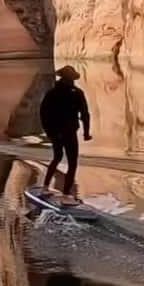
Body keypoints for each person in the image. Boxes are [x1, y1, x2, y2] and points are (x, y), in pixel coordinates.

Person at [40, 65, 91, 200]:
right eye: (71, 78)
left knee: (58, 157)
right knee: (71, 162)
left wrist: (49, 131)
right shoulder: (76, 93)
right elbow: (85, 114)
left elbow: (43, 113)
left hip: (58, 132)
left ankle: (46, 187)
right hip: (67, 132)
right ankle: (65, 194)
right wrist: (86, 132)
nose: (72, 81)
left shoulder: (52, 93)